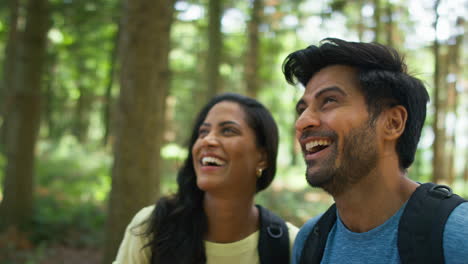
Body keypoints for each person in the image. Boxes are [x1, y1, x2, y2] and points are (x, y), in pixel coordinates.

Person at [282, 38, 468, 264]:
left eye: (329, 100)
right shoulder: (310, 241)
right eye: (302, 109)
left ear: (392, 123)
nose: (302, 122)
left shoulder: (457, 236)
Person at [113, 93, 298, 264]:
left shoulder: (289, 245)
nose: (207, 140)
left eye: (227, 131)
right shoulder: (151, 228)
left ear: (262, 158)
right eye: (203, 132)